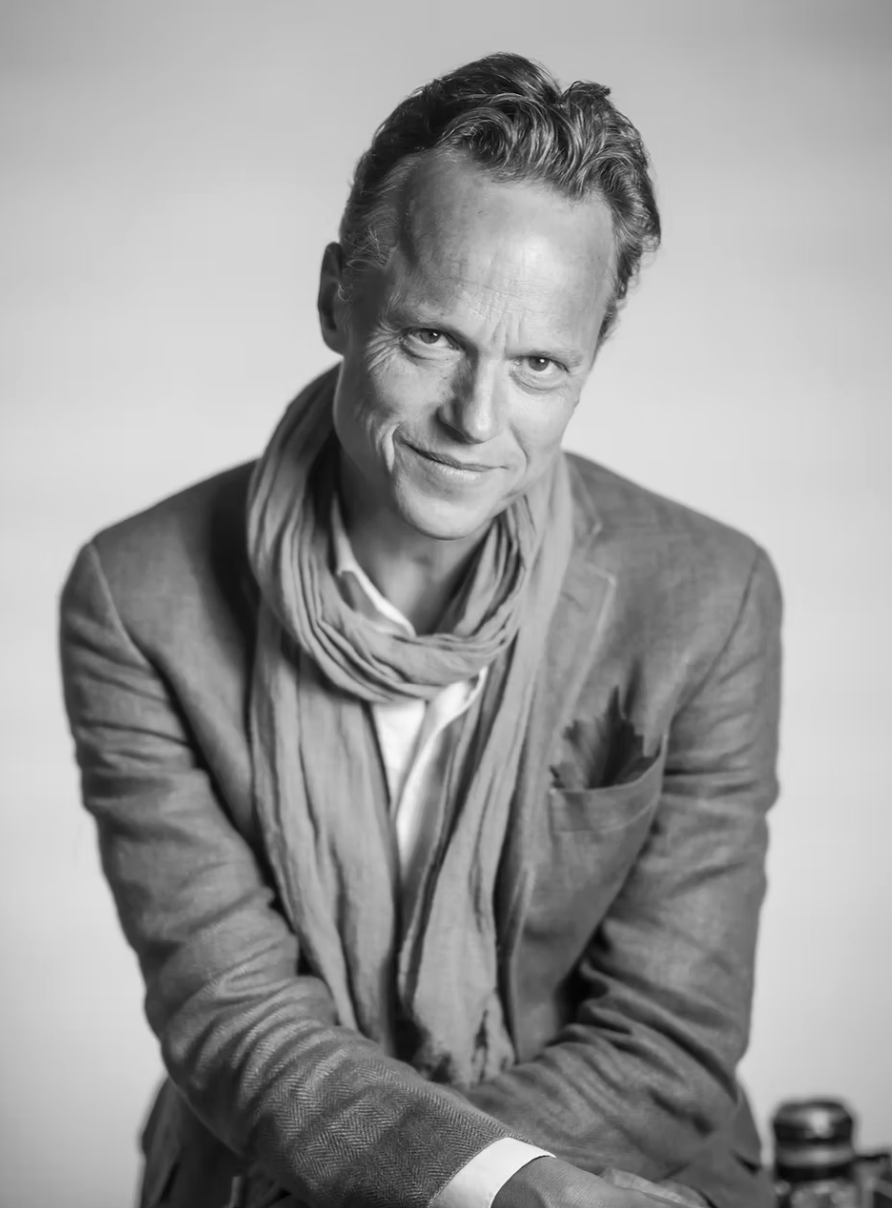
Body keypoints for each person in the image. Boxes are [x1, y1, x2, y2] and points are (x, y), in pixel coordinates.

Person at [59, 52, 782, 1208]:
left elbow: (670, 1029)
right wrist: (485, 1185)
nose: (476, 419)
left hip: (618, 1158)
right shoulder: (137, 593)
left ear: (589, 359)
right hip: (272, 1163)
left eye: (538, 362)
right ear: (335, 299)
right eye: (432, 336)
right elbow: (230, 1007)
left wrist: (478, 1178)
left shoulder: (708, 593)